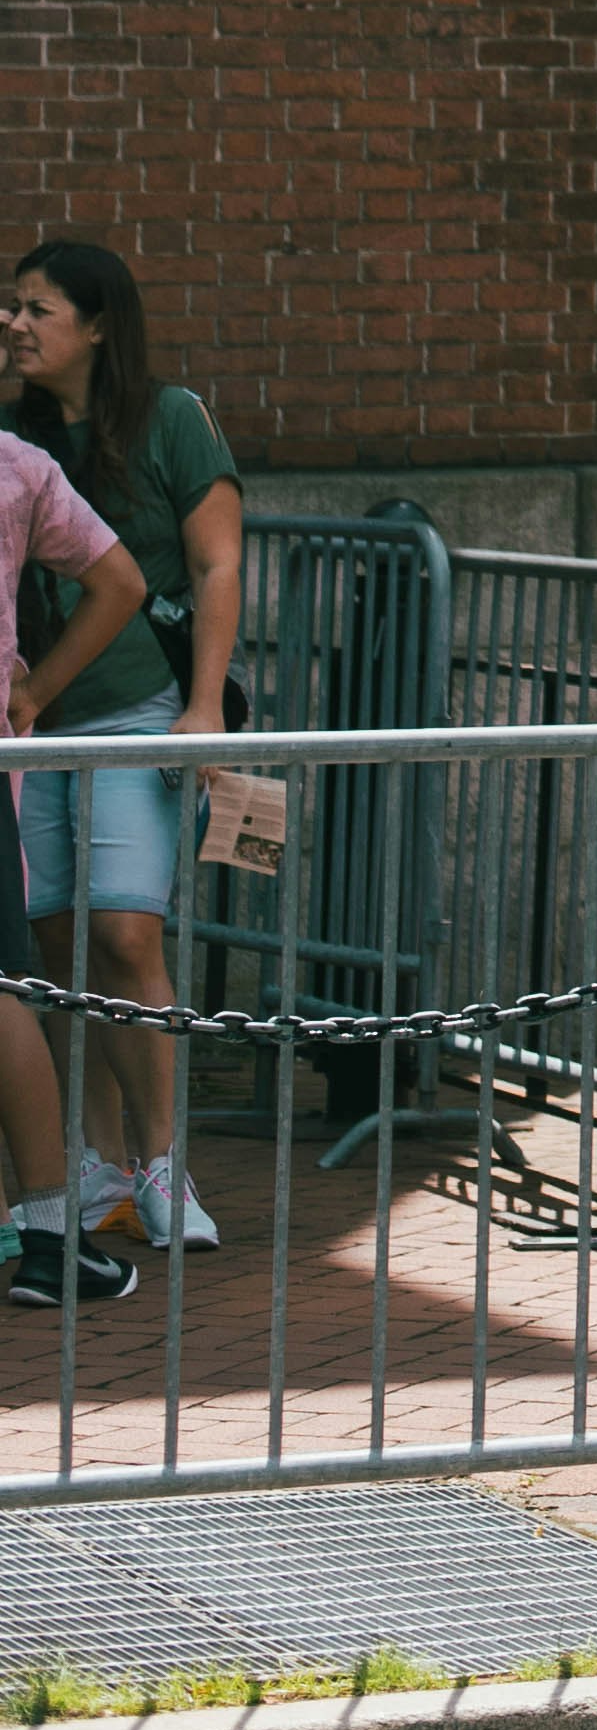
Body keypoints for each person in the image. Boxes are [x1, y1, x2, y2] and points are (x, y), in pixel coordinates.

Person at [6, 240, 241, 1253]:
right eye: (10, 307)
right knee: (51, 942)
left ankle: (160, 1162)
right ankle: (89, 1157)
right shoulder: (10, 432)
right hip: (29, 734)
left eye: (38, 308)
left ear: (98, 325)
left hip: (132, 708)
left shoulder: (169, 417)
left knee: (129, 935)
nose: (16, 324)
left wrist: (203, 705)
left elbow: (217, 558)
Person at [0, 411, 144, 1306]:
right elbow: (118, 579)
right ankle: (53, 1241)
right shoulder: (15, 466)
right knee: (1, 990)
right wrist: (36, 689)